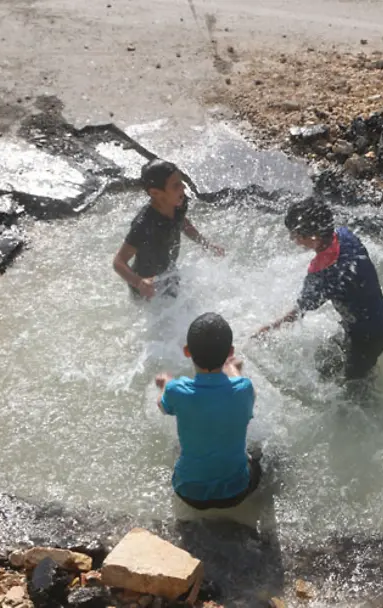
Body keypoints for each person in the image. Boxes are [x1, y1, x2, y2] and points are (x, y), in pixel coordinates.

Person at [256, 198, 383, 380]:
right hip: (378, 314)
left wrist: (269, 328)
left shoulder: (323, 271)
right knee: (326, 359)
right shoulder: (345, 235)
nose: (293, 239)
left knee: (352, 386)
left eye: (295, 235)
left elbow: (299, 311)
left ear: (314, 237)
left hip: (366, 335)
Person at [155, 312, 261, 510]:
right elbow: (253, 394)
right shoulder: (244, 389)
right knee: (260, 451)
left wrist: (164, 383)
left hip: (188, 493)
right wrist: (233, 369)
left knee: (180, 445)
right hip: (235, 494)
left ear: (187, 351)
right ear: (230, 351)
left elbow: (162, 406)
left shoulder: (176, 390)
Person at [112, 159, 224, 301]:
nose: (183, 187)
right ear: (156, 193)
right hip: (147, 287)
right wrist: (139, 283)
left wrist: (205, 243)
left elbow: (182, 222)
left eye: (181, 182)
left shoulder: (178, 203)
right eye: (176, 185)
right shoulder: (144, 225)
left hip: (169, 273)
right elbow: (119, 262)